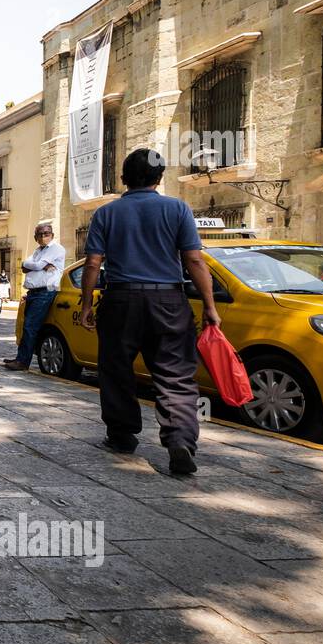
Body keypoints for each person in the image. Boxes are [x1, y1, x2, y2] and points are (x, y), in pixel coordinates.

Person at [80, 148, 221, 476]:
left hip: (120, 300)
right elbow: (194, 260)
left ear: (124, 178)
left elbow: (92, 263)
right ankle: (180, 440)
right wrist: (210, 306)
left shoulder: (106, 214)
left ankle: (122, 435)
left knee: (116, 370)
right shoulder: (177, 208)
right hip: (168, 301)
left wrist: (87, 303)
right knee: (175, 374)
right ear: (160, 178)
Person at [5, 223, 67, 372]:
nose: (43, 236)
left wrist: (36, 265)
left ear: (52, 235)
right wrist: (36, 265)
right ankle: (21, 357)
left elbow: (35, 266)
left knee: (30, 327)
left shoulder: (56, 249)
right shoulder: (38, 250)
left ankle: (23, 362)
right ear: (35, 237)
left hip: (44, 293)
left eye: (46, 233)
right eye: (40, 234)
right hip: (34, 293)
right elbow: (24, 266)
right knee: (27, 326)